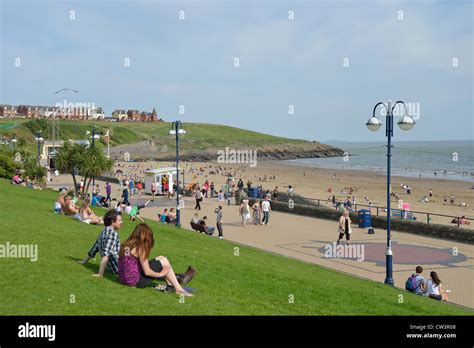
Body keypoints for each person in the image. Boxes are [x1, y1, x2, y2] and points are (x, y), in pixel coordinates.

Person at [117, 223, 194, 296]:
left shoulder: (126, 244)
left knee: (161, 258)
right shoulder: (140, 248)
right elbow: (147, 272)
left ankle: (171, 285)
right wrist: (161, 274)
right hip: (136, 281)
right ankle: (179, 289)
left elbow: (128, 263)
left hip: (123, 279)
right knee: (164, 261)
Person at [80, 210, 123, 277]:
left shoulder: (104, 231)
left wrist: (84, 262)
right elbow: (106, 254)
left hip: (111, 267)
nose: (121, 222)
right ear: (112, 222)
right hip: (118, 268)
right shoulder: (113, 234)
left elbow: (94, 248)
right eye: (119, 220)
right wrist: (100, 274)